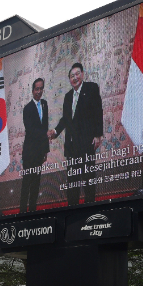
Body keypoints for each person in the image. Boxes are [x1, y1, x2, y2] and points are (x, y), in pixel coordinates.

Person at [48, 63, 104, 206]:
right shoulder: (67, 97)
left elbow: (98, 112)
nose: (75, 78)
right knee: (72, 181)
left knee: (88, 179)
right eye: (72, 76)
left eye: (77, 74)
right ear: (69, 79)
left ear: (83, 74)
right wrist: (55, 131)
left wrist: (98, 135)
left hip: (86, 143)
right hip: (71, 146)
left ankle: (89, 207)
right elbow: (65, 119)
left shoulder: (91, 88)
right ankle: (72, 209)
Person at [20, 78, 50, 213]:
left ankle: (32, 210)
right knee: (27, 183)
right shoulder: (27, 108)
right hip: (29, 152)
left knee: (36, 183)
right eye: (36, 89)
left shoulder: (45, 104)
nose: (39, 91)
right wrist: (45, 134)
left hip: (39, 153)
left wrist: (45, 151)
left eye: (41, 88)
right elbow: (30, 130)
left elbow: (45, 125)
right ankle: (22, 211)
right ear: (32, 91)